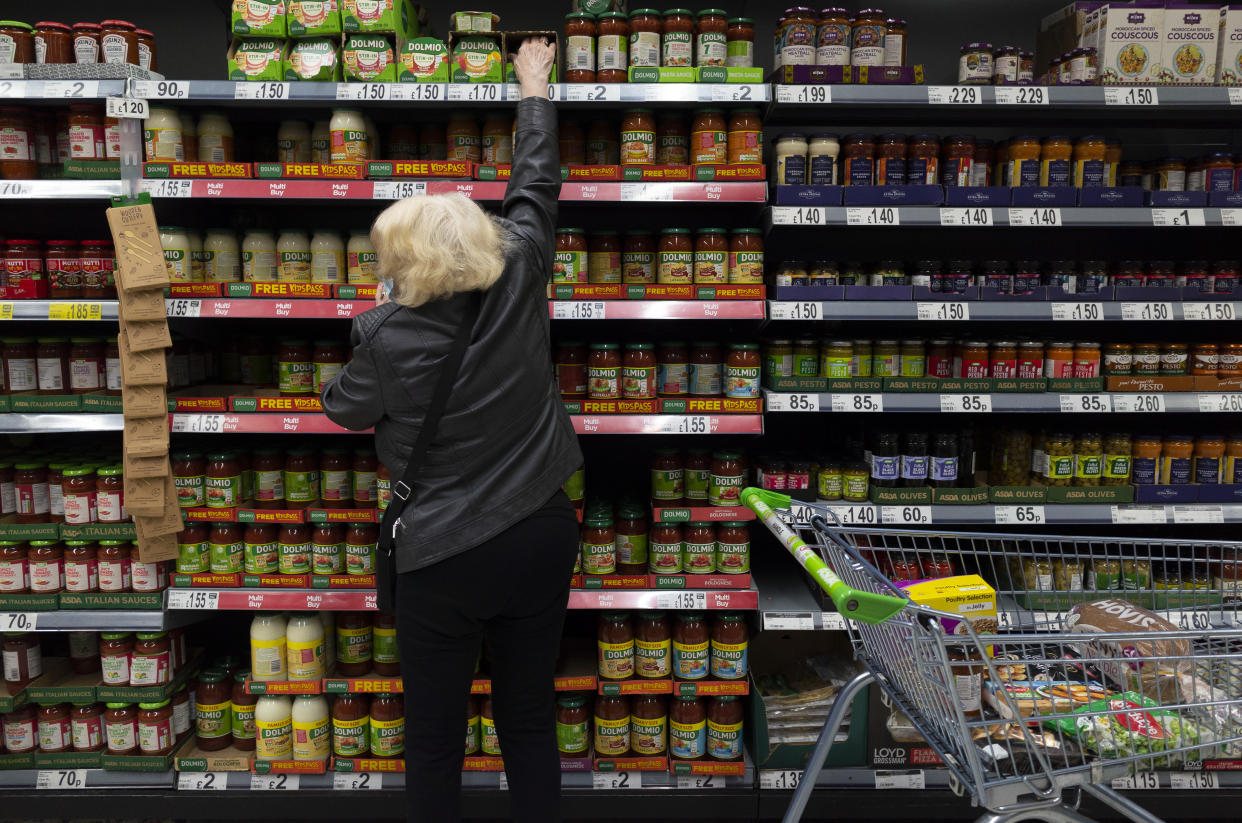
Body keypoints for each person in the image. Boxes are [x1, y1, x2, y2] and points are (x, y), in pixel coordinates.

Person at [321, 38, 581, 823]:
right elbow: (534, 182)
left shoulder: (385, 336)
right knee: (529, 719)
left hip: (441, 550)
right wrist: (533, 85)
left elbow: (343, 407)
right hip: (539, 529)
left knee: (433, 736)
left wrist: (372, 313)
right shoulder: (523, 274)